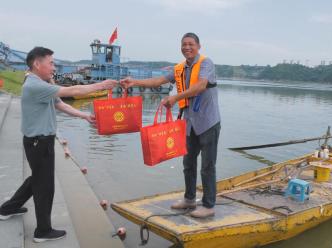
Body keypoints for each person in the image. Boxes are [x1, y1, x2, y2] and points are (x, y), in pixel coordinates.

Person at [0, 47, 117, 242]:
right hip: (39, 143)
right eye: (51, 63)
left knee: (37, 179)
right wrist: (101, 85)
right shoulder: (35, 86)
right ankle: (42, 231)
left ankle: (8, 209)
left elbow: (60, 104)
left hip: (38, 142)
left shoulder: (38, 82)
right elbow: (74, 90)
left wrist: (85, 116)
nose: (54, 67)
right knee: (44, 186)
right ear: (37, 64)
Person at [121, 33, 221, 218]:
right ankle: (189, 199)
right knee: (188, 162)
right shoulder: (180, 68)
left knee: (208, 165)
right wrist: (134, 81)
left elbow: (200, 86)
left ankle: (208, 205)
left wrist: (175, 97)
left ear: (199, 46)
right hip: (190, 123)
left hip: (208, 122)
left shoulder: (207, 64)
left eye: (191, 44)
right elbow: (158, 81)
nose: (187, 47)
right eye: (184, 44)